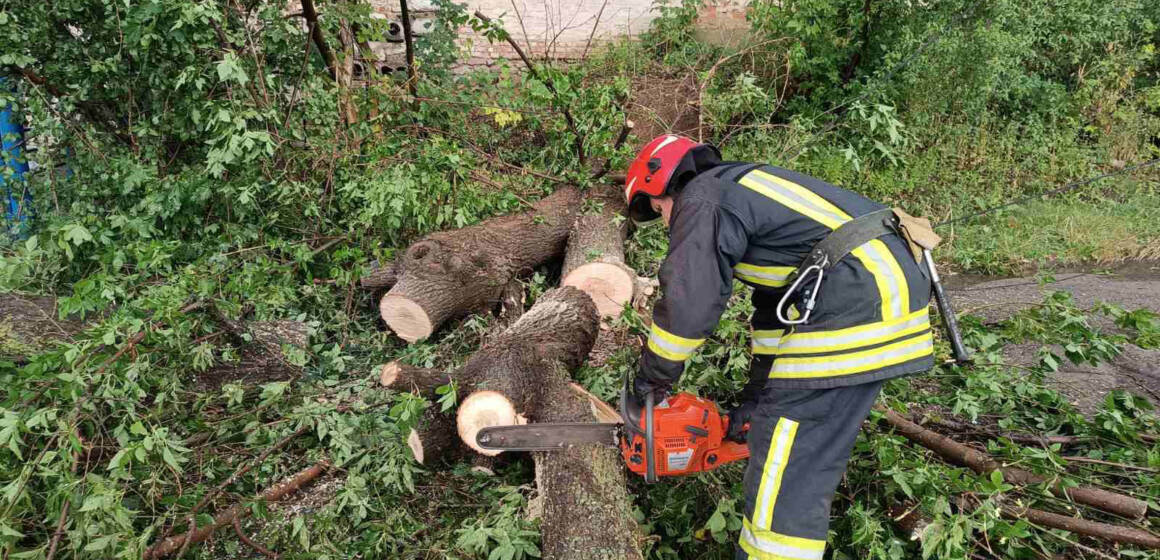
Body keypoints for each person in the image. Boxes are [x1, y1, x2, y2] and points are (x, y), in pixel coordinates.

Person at [622, 134, 935, 560]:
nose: (663, 220)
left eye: (657, 209)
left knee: (786, 459)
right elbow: (777, 309)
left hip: (856, 297)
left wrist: (652, 379)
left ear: (661, 185)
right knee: (778, 424)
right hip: (877, 288)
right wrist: (755, 397)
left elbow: (688, 304)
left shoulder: (703, 198)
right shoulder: (745, 189)